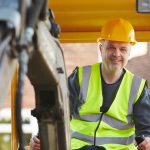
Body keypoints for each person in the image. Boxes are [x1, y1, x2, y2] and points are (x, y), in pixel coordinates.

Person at [30, 18, 150, 150]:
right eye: (111, 47)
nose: (117, 54)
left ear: (129, 52)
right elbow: (58, 111)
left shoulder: (137, 87)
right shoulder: (80, 77)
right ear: (101, 48)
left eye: (123, 49)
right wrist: (41, 139)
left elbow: (145, 129)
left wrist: (147, 141)